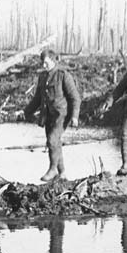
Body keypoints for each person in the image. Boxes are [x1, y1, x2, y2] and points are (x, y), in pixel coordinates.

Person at [23, 48, 81, 182]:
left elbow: (75, 97)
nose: (44, 65)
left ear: (53, 61)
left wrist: (74, 116)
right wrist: (27, 111)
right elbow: (37, 98)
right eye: (42, 62)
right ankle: (63, 173)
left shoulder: (63, 75)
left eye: (46, 62)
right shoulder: (43, 77)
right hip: (47, 115)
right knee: (54, 143)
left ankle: (53, 169)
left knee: (52, 140)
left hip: (62, 115)